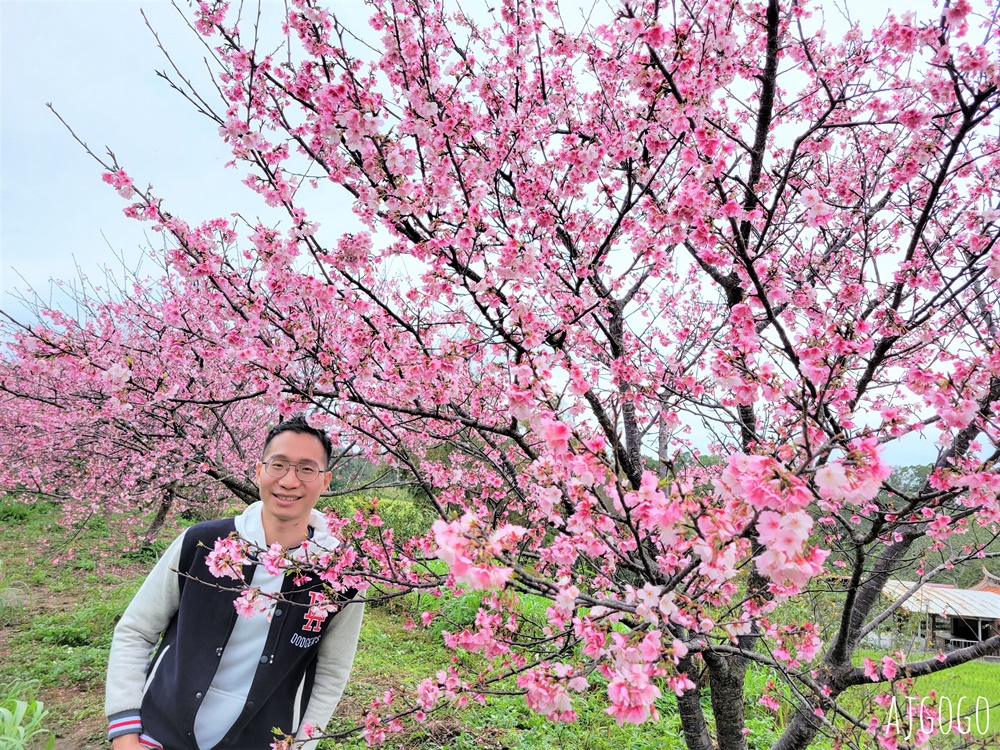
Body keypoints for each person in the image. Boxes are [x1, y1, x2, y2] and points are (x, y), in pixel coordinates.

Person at [105, 414, 363, 750]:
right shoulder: (203, 542)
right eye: (279, 465)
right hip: (160, 734)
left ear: (326, 480)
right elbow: (136, 629)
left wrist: (302, 745)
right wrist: (125, 732)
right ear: (258, 471)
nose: (289, 481)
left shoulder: (341, 573)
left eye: (306, 469)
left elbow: (331, 674)